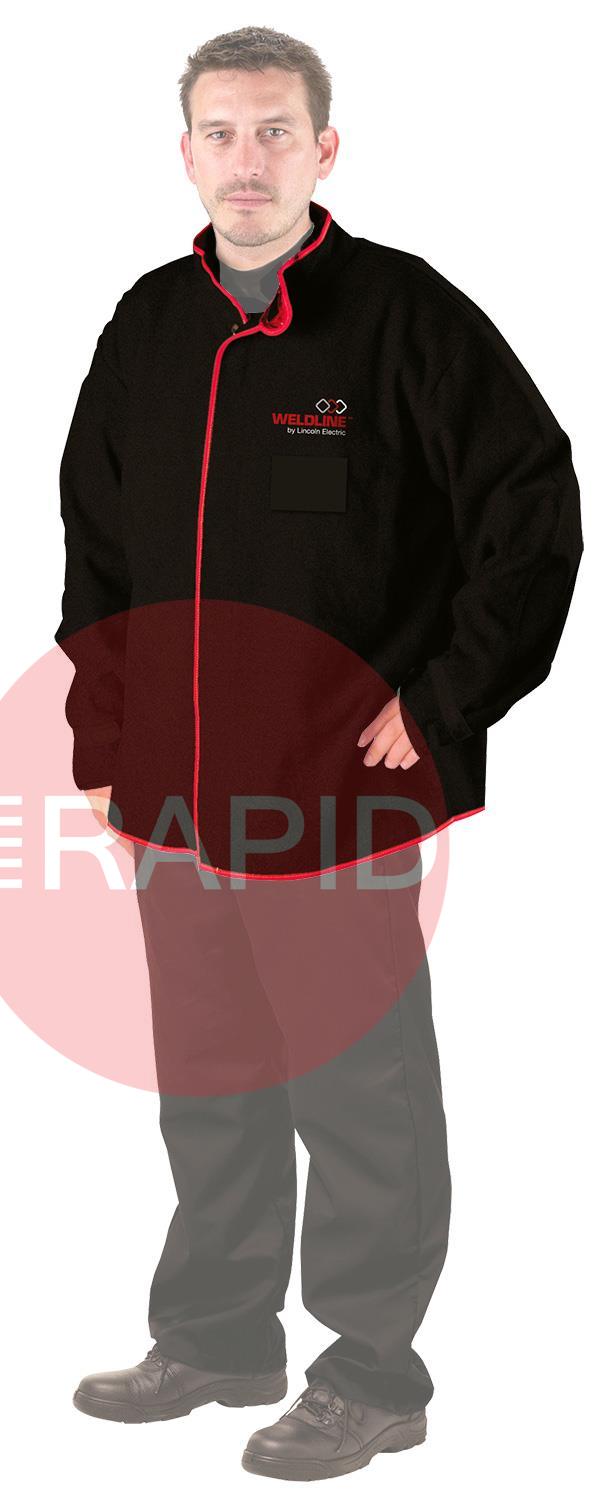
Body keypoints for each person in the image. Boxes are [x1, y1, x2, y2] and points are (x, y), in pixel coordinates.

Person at [55, 25, 583, 1481]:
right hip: (175, 791)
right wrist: (104, 736)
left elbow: (533, 510)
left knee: (362, 1097)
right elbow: (95, 540)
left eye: (275, 131)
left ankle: (374, 1374)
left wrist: (448, 697)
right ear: (185, 152)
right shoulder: (146, 325)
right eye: (221, 133)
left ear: (324, 148)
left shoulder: (405, 318)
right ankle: (219, 1336)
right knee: (209, 1079)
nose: (248, 159)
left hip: (337, 788)